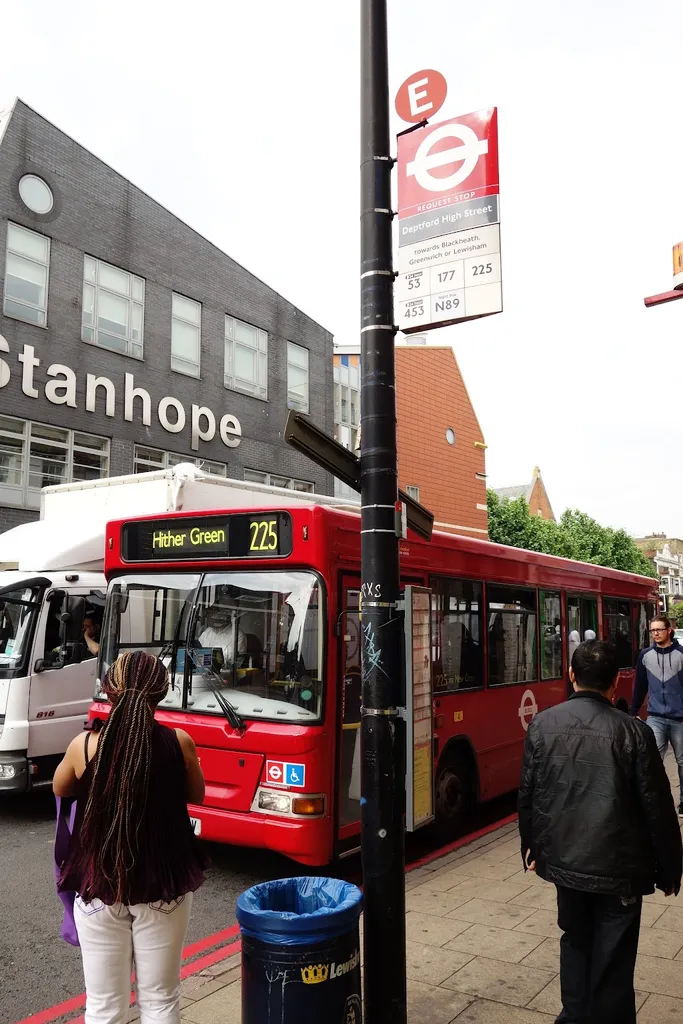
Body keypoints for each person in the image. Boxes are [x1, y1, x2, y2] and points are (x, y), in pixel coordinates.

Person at [519, 640, 682, 1024]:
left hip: (565, 863)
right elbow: (657, 808)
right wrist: (670, 868)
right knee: (614, 958)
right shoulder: (634, 733)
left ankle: (575, 1015)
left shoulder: (542, 724)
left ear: (571, 676)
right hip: (619, 871)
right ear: (614, 684)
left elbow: (528, 794)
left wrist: (531, 846)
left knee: (574, 942)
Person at [53, 650, 207, 1023]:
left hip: (98, 887)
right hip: (162, 884)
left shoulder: (85, 745)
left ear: (109, 691)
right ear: (162, 692)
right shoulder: (180, 743)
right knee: (161, 1000)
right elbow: (196, 796)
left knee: (104, 1006)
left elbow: (61, 788)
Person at [631, 614, 683, 815]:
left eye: (659, 629)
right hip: (655, 717)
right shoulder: (645, 656)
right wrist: (634, 711)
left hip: (680, 718)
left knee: (682, 762)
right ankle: (652, 802)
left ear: (669, 630)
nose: (655, 633)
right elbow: (640, 686)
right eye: (652, 630)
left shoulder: (681, 654)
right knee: (651, 761)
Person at [198, 598, 246, 665]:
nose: (209, 617)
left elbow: (230, 662)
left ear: (225, 615)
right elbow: (196, 653)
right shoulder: (207, 632)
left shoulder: (237, 635)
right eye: (209, 613)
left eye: (213, 613)